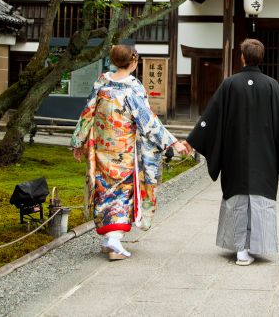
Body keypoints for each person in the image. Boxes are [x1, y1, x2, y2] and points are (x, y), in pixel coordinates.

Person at [71, 44, 190, 260]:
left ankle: (109, 238)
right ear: (134, 62)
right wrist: (172, 143)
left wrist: (78, 143)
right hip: (124, 152)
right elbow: (148, 121)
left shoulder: (101, 86)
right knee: (122, 192)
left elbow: (86, 114)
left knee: (104, 189)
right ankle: (115, 240)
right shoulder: (131, 89)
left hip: (101, 149)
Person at [186, 38, 279, 266]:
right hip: (265, 155)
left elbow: (212, 117)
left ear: (243, 57)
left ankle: (240, 248)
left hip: (235, 152)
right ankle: (256, 245)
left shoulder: (230, 84)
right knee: (259, 195)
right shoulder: (271, 85)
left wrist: (194, 140)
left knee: (237, 195)